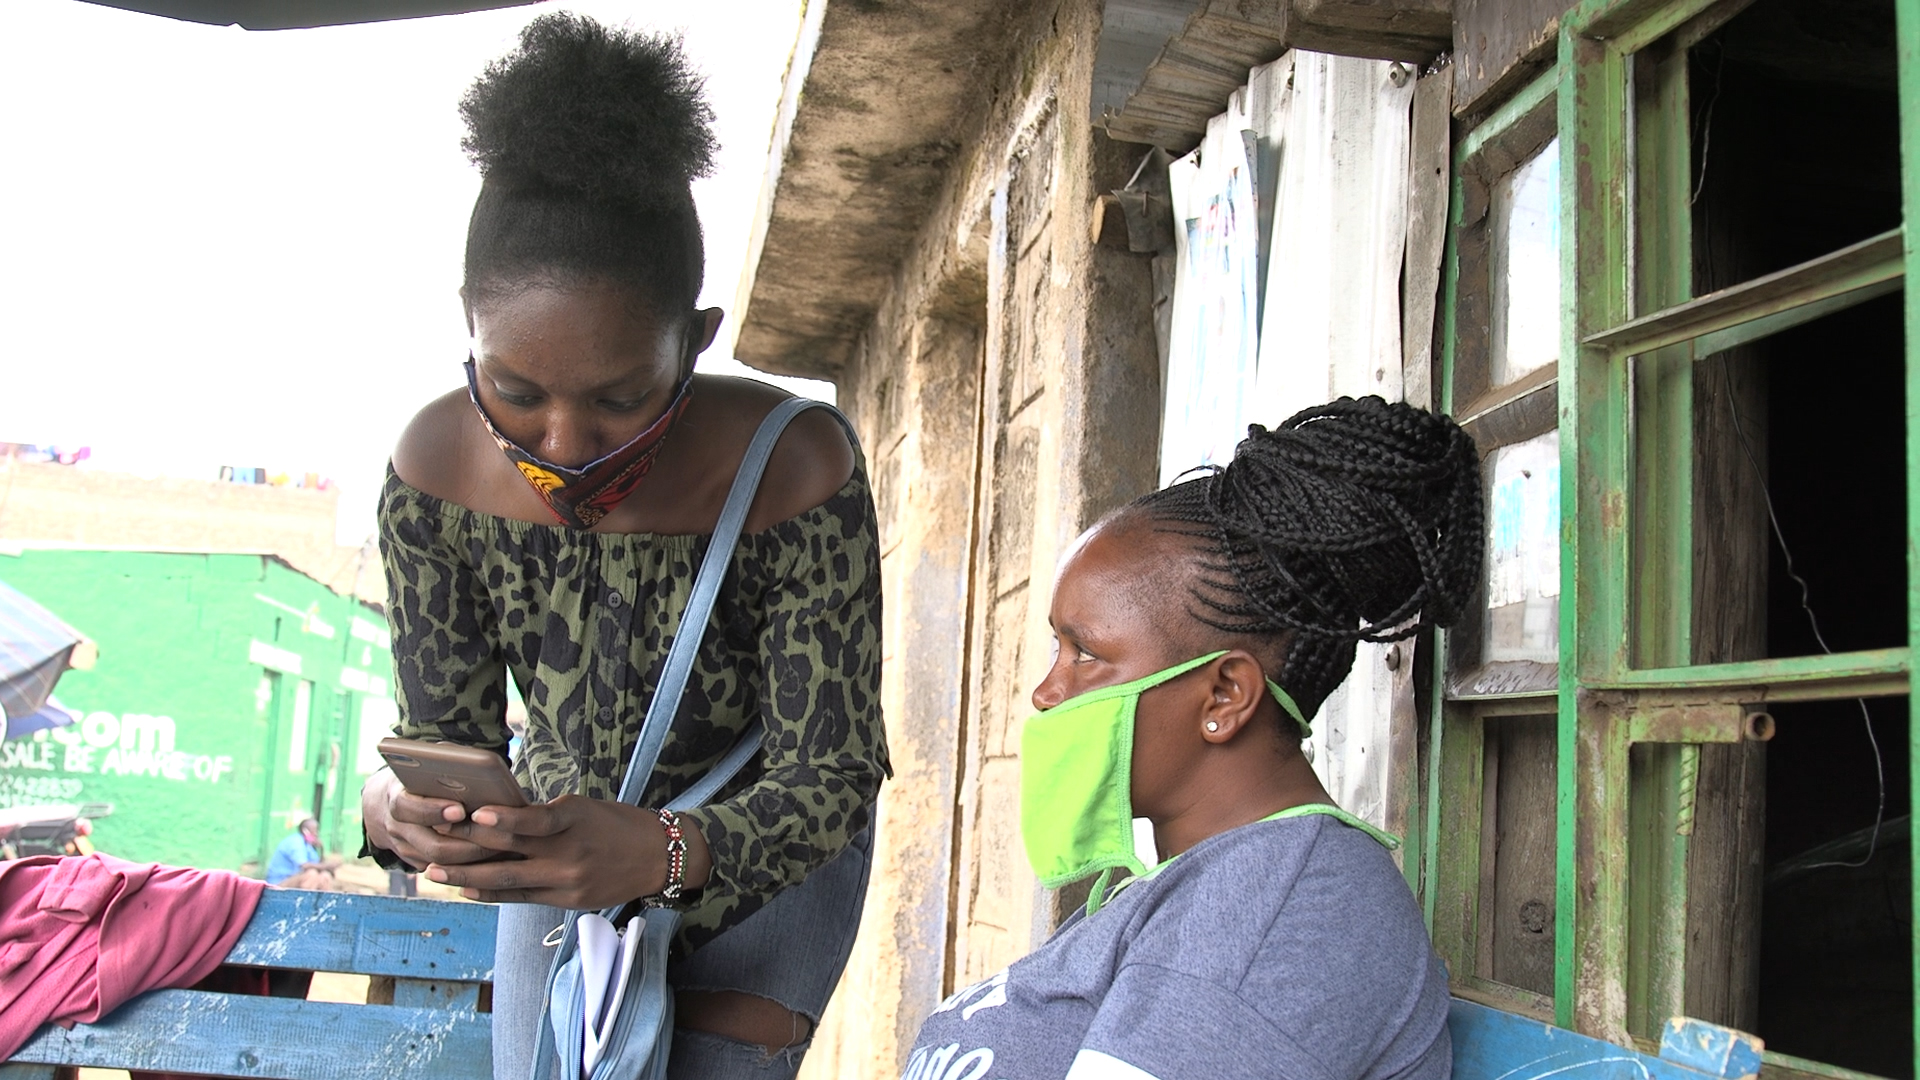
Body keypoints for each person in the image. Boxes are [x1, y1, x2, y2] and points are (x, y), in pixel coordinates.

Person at [356, 15, 887, 1080]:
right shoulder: (431, 474)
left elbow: (832, 775)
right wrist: (402, 816)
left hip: (765, 863)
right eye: (515, 390)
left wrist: (661, 852)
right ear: (470, 324)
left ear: (693, 340)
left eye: (618, 397)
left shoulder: (795, 468)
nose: (562, 443)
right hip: (557, 866)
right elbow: (449, 741)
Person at [904, 396, 1480, 1080]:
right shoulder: (1200, 884)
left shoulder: (1281, 910)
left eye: (1084, 653)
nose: (1047, 692)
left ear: (1224, 696)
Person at [264, 817, 320, 886]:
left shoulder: (308, 844)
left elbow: (317, 863)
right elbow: (304, 866)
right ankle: (306, 897)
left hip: (292, 879)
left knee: (324, 876)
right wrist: (327, 866)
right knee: (311, 874)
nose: (316, 833)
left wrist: (322, 849)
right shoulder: (296, 842)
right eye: (314, 830)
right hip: (279, 883)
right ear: (305, 831)